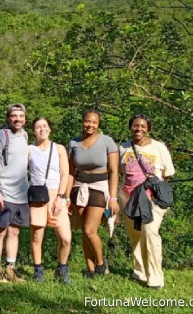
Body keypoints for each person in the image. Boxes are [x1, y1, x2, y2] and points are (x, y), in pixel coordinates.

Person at [118, 114, 175, 290]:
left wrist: (153, 189)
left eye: (143, 126)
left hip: (152, 199)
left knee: (150, 232)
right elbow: (120, 172)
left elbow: (167, 173)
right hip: (128, 198)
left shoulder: (159, 147)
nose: (139, 129)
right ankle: (139, 271)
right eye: (135, 126)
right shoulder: (123, 148)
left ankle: (155, 278)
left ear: (148, 128)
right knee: (135, 235)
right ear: (130, 127)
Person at [65, 109, 120, 278]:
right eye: (87, 121)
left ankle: (101, 263)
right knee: (83, 229)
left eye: (94, 122)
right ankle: (90, 269)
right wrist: (66, 197)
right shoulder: (74, 143)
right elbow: (70, 172)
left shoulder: (107, 142)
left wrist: (113, 198)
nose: (90, 125)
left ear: (98, 124)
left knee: (90, 230)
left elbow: (114, 171)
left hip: (99, 186)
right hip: (79, 186)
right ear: (83, 122)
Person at [0, 103, 29, 283]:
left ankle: (10, 268)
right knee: (0, 231)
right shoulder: (1, 136)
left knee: (15, 232)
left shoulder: (24, 135)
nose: (17, 119)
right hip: (4, 191)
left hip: (21, 193)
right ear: (8, 118)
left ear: (25, 118)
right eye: (14, 116)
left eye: (21, 116)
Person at [28, 117, 72, 284]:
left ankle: (62, 268)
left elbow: (65, 174)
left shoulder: (59, 148)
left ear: (50, 129)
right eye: (38, 127)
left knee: (65, 238)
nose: (42, 129)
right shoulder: (29, 150)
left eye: (45, 126)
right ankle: (38, 269)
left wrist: (61, 197)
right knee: (37, 237)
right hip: (38, 196)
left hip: (56, 196)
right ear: (33, 131)